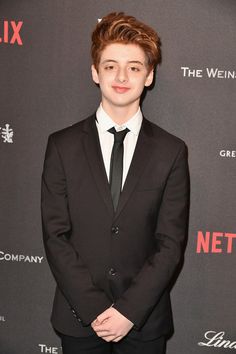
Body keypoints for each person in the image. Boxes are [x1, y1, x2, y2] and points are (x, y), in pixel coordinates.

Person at [41, 12, 190, 354]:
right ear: (95, 72)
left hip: (144, 322)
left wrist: (128, 311)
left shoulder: (172, 151)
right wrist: (95, 308)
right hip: (79, 318)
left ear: (149, 75)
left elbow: (170, 244)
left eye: (134, 67)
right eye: (110, 65)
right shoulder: (61, 146)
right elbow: (55, 235)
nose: (122, 76)